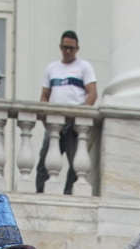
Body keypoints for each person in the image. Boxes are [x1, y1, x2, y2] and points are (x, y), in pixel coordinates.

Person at [36, 30, 95, 194]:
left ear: (77, 48)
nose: (68, 51)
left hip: (74, 122)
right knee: (44, 162)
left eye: (71, 48)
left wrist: (81, 114)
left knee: (76, 163)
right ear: (60, 47)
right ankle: (41, 191)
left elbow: (92, 93)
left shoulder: (83, 67)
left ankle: (69, 192)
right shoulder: (52, 68)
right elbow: (45, 95)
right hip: (55, 122)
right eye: (65, 48)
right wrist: (44, 118)